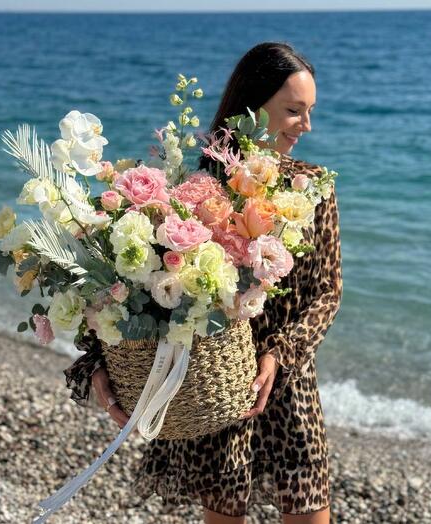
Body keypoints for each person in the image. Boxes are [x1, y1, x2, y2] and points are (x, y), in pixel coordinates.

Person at [64, 42, 343, 524]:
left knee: (310, 510)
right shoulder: (198, 189)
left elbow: (327, 292)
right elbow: (139, 288)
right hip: (215, 387)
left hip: (288, 382)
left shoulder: (312, 187)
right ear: (254, 108)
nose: (306, 126)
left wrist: (280, 353)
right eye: (294, 111)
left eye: (310, 111)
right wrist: (97, 357)